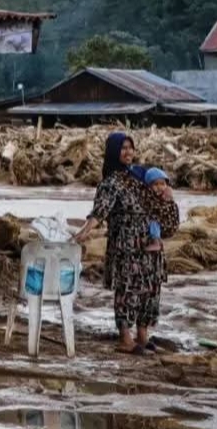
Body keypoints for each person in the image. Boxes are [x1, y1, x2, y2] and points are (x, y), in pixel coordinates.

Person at [73, 132, 179, 355]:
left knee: (151, 290)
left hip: (149, 247)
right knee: (128, 291)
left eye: (130, 147)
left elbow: (158, 200)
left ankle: (143, 336)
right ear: (113, 152)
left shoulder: (141, 176)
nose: (128, 152)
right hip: (127, 247)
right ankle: (125, 339)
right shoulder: (111, 183)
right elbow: (99, 211)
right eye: (123, 148)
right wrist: (83, 233)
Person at [143, 167, 171, 252]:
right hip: (155, 221)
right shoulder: (148, 196)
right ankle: (157, 241)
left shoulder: (166, 196)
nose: (159, 187)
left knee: (154, 221)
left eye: (162, 184)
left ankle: (156, 242)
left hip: (162, 221)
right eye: (156, 184)